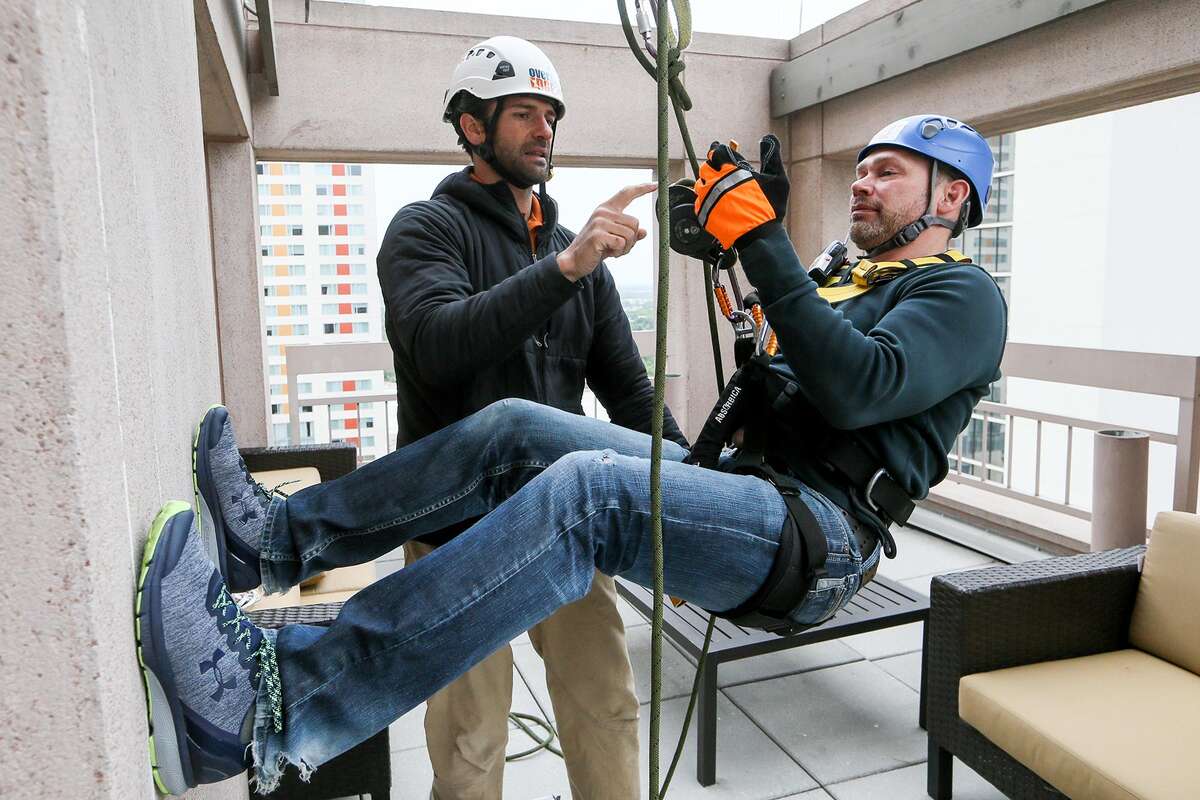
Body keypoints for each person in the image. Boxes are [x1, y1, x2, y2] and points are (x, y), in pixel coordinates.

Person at [136, 114, 1007, 795]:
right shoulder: (845, 281)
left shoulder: (963, 295)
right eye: (861, 170)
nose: (862, 183)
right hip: (754, 489)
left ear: (952, 197)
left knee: (591, 492)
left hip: (820, 536)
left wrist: (762, 243)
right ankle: (275, 538)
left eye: (887, 172)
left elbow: (858, 387)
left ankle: (274, 703)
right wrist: (731, 256)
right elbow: (781, 384)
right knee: (518, 425)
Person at [370, 34, 684, 799]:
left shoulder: (576, 254)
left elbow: (630, 393)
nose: (544, 129)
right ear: (472, 126)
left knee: (606, 707)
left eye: (551, 115)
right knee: (471, 740)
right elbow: (438, 345)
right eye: (522, 114)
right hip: (457, 531)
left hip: (564, 520)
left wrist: (690, 499)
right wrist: (565, 269)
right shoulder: (427, 229)